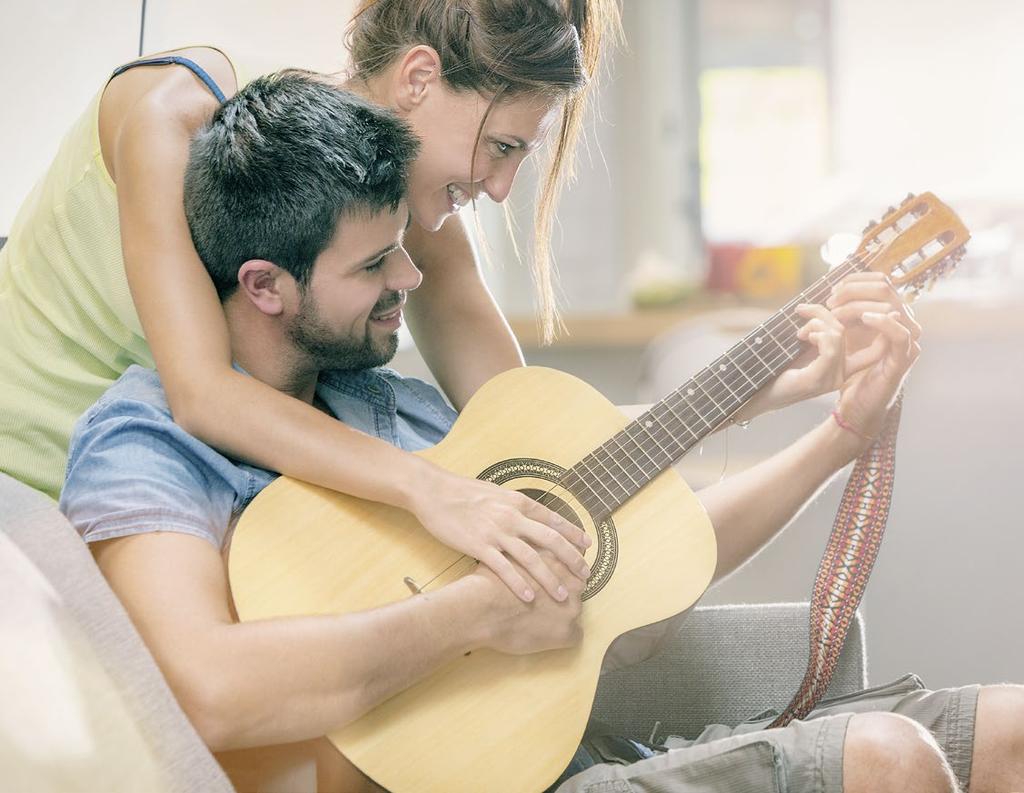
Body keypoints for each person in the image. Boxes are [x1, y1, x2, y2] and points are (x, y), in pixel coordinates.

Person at [59, 71, 1024, 793]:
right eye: (374, 264)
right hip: (471, 773)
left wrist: (836, 438)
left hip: (573, 729)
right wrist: (474, 612)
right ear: (265, 284)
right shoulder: (146, 442)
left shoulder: (385, 402)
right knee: (890, 761)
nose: (413, 278)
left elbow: (629, 562)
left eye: (407, 242)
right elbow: (208, 690)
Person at [1, 0, 854, 609]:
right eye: (503, 145)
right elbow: (205, 396)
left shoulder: (403, 203)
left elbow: (530, 437)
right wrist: (430, 488)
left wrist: (773, 383)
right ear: (417, 77)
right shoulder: (175, 114)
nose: (501, 185)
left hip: (200, 513)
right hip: (31, 487)